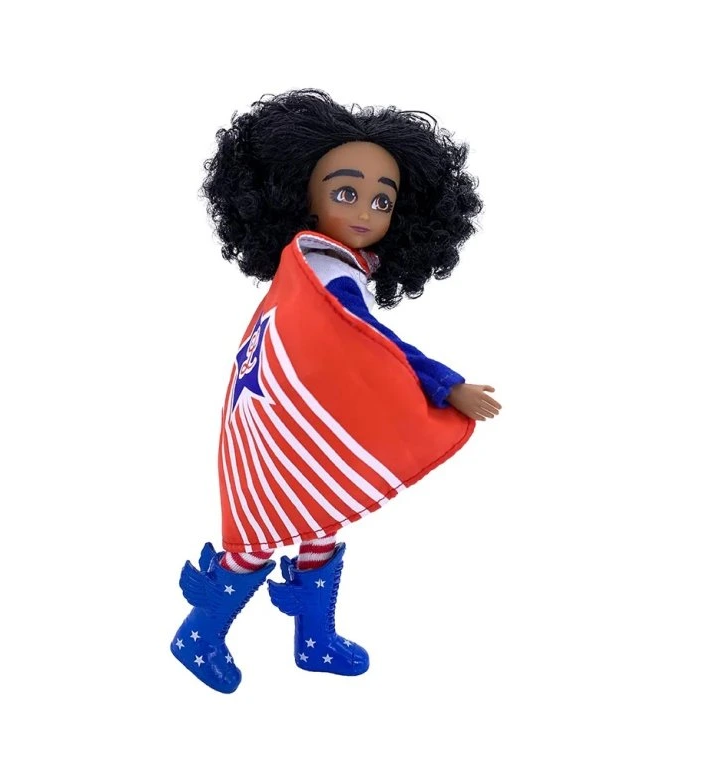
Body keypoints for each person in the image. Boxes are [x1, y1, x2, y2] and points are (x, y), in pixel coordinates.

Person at [170, 89, 502, 693]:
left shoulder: (310, 265)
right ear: (302, 195)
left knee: (318, 518)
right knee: (262, 533)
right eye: (346, 193)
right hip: (283, 422)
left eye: (383, 200)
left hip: (290, 414)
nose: (367, 212)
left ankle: (313, 639)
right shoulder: (327, 271)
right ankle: (200, 634)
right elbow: (376, 339)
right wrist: (447, 386)